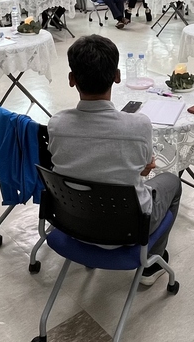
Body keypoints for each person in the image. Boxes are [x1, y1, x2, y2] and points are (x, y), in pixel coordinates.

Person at [47, 35, 182, 286]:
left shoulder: (56, 124)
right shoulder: (138, 125)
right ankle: (151, 263)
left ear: (71, 79)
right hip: (129, 229)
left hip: (74, 223)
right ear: (117, 76)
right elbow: (144, 172)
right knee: (172, 182)